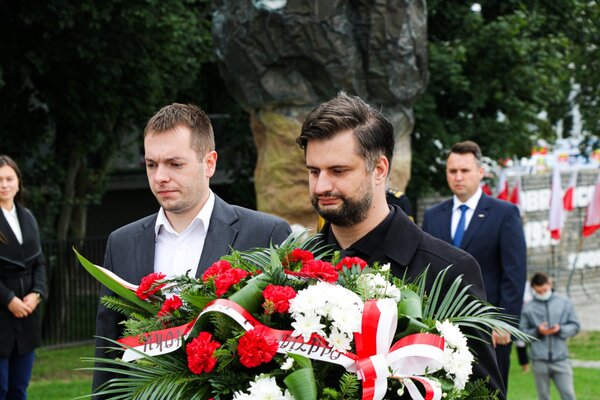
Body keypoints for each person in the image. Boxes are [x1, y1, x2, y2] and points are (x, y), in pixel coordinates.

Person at [296, 92, 506, 398]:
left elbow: (486, 394)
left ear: (379, 169)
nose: (322, 186)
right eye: (314, 171)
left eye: (338, 171)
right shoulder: (294, 268)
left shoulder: (448, 270)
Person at [93, 103, 291, 396]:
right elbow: (108, 354)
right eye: (151, 164)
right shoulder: (121, 243)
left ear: (209, 163)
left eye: (175, 164)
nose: (160, 177)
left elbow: (287, 350)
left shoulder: (265, 235)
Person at [422, 140, 527, 389]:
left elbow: (514, 273)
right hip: (442, 327)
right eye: (452, 171)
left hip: (489, 330)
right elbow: (426, 269)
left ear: (480, 172)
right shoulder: (433, 215)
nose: (458, 177)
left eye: (465, 170)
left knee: (488, 392)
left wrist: (505, 323)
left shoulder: (504, 213)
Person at [0, 155, 47, 400]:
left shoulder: (27, 217)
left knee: (19, 388)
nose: (4, 185)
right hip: (2, 313)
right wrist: (9, 299)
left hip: (28, 314)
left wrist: (37, 293)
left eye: (9, 179)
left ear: (18, 182)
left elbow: (39, 262)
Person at [520, 272, 580, 400]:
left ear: (549, 284)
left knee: (569, 395)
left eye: (544, 290)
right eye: (539, 291)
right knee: (543, 397)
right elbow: (522, 334)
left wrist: (560, 330)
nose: (542, 293)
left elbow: (575, 326)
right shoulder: (528, 308)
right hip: (539, 360)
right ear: (533, 289)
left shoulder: (565, 302)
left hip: (561, 359)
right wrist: (538, 332)